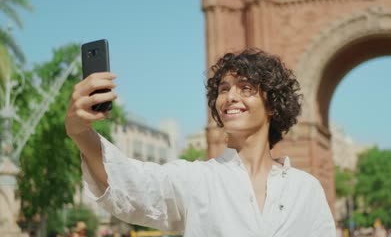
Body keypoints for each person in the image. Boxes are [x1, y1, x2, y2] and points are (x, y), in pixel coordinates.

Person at [65, 48, 336, 236]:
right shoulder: (197, 179)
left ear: (272, 105)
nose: (230, 97)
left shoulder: (305, 189)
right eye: (223, 89)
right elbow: (130, 183)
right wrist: (80, 131)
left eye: (246, 88)